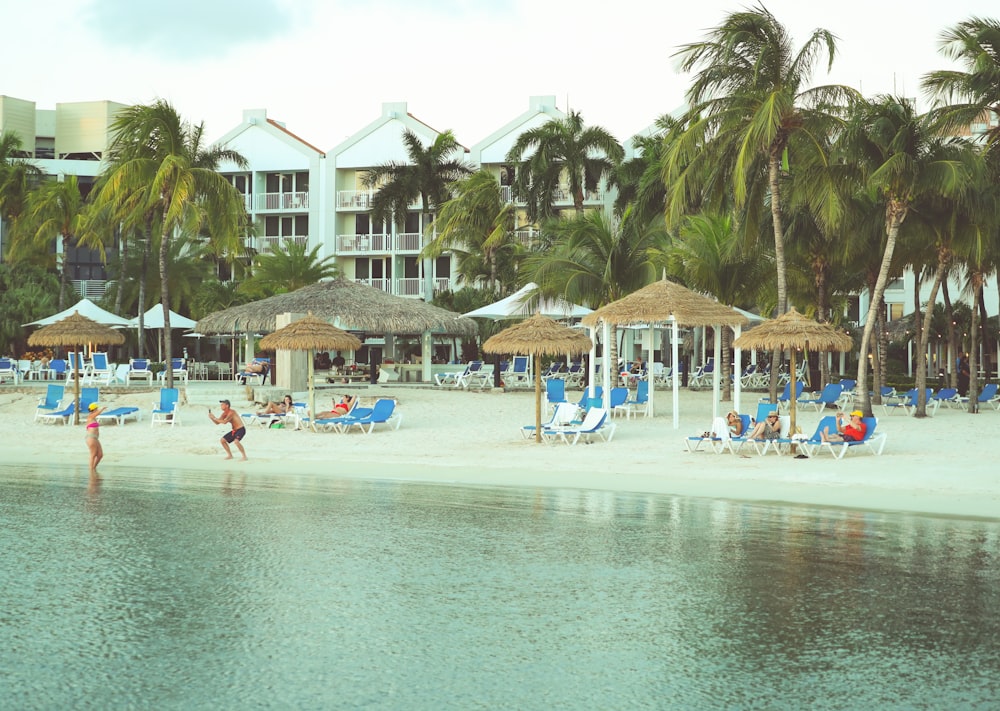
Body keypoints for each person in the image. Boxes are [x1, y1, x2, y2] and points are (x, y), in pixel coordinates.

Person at [84, 402, 106, 474]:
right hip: (91, 438)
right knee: (93, 455)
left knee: (100, 455)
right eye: (96, 408)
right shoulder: (90, 416)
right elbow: (98, 413)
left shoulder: (93, 417)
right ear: (94, 409)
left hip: (95, 438)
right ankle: (91, 471)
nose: (97, 409)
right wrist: (102, 409)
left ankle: (93, 469)